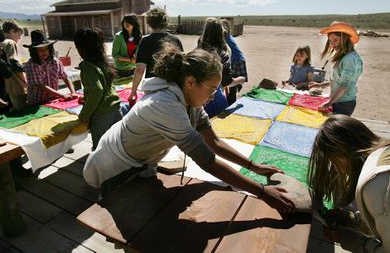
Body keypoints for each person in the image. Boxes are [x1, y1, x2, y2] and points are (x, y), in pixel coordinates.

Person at [83, 44, 295, 213]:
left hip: (141, 159)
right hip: (116, 163)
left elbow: (215, 143)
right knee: (124, 218)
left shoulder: (191, 103)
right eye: (212, 89)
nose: (213, 96)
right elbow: (207, 160)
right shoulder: (164, 104)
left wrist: (253, 166)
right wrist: (263, 192)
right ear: (191, 81)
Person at [308, 115, 390, 252]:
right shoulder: (383, 152)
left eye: (332, 162)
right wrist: (352, 220)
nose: (335, 168)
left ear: (343, 153)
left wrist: (352, 240)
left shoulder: (372, 184)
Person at [74, 28, 123, 150]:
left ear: (81, 49)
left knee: (101, 149)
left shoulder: (87, 66)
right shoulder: (103, 61)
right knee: (116, 144)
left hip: (102, 115)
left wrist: (84, 115)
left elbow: (97, 90)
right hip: (116, 108)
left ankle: (102, 169)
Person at [128, 7, 183, 103]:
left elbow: (140, 70)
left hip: (153, 89)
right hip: (173, 88)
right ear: (166, 22)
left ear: (149, 23)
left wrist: (133, 91)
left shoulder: (145, 41)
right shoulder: (175, 40)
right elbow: (182, 67)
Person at [308, 22, 363, 116]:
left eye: (335, 40)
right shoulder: (343, 56)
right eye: (330, 41)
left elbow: (344, 86)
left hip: (344, 103)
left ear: (345, 39)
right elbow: (337, 80)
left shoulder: (350, 58)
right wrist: (320, 84)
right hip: (337, 100)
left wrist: (329, 102)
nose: (332, 44)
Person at [198, 17, 245, 117]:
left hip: (197, 99)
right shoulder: (223, 53)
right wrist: (240, 80)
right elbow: (226, 81)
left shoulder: (198, 50)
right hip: (215, 101)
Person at [24, 30, 77, 105]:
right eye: (40, 50)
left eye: (46, 49)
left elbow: (65, 77)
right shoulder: (31, 65)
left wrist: (73, 92)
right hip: (37, 102)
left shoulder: (55, 62)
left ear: (50, 49)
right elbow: (41, 86)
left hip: (53, 99)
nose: (44, 52)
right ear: (34, 51)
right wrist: (61, 95)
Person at [1, 20, 27, 110]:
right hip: (16, 84)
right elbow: (13, 63)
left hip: (7, 85)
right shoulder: (10, 43)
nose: (19, 38)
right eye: (19, 34)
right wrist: (27, 68)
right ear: (12, 31)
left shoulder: (1, 43)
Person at [221, 19, 248, 105]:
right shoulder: (229, 36)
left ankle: (231, 103)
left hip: (236, 61)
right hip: (238, 60)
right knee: (231, 84)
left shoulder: (225, 37)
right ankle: (233, 96)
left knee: (230, 83)